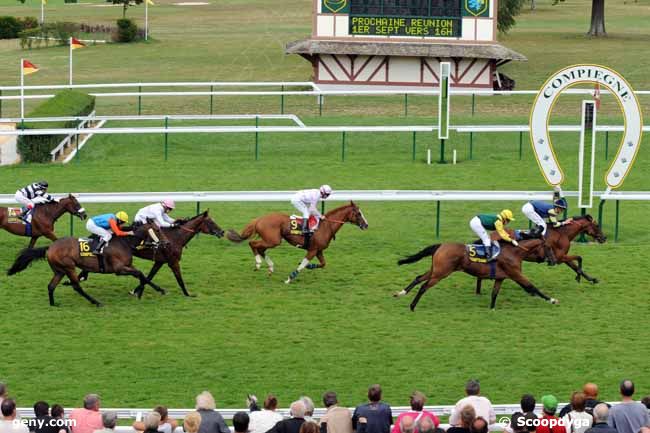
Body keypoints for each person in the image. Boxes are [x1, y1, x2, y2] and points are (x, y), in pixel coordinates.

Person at [521, 186, 569, 264]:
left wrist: (558, 189)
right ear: (557, 207)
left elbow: (558, 197)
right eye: (561, 209)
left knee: (542, 224)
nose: (561, 211)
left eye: (563, 210)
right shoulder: (552, 211)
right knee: (543, 225)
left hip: (530, 207)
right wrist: (564, 222)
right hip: (529, 209)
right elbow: (555, 224)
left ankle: (532, 235)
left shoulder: (556, 204)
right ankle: (541, 241)